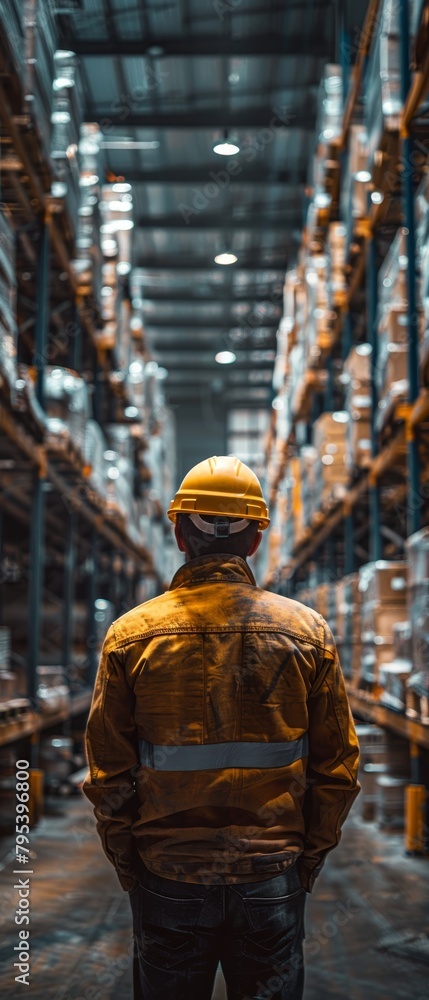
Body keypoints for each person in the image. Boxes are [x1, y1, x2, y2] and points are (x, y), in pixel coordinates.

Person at [83, 455, 360, 1000]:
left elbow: (107, 774)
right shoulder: (307, 632)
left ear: (180, 533)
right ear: (256, 540)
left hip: (168, 875)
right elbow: (339, 767)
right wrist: (307, 858)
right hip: (271, 873)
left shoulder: (131, 636)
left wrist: (130, 864)